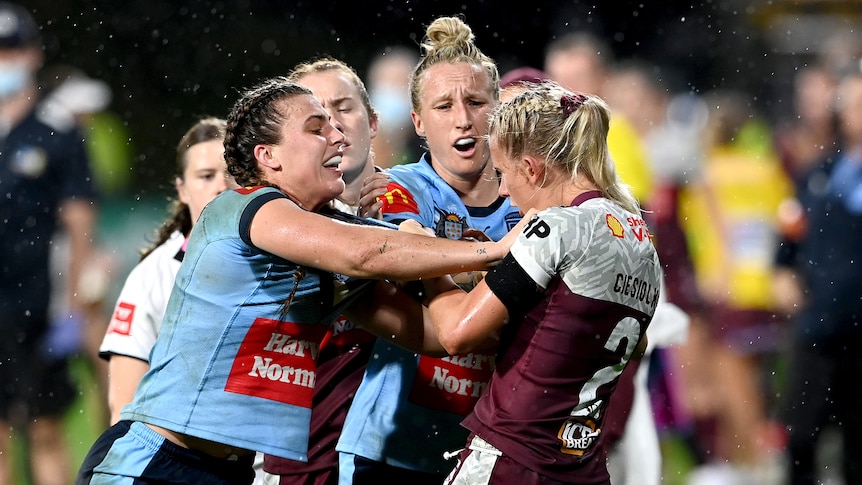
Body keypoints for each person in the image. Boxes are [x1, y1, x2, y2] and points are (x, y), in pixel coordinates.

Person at [76, 76, 518, 485]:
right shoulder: (242, 205)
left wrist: (471, 266)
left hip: (233, 472)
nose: (339, 137)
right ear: (268, 157)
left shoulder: (336, 248)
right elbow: (365, 252)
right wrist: (497, 248)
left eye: (337, 125)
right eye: (316, 128)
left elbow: (442, 335)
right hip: (157, 464)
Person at [414, 81, 661, 485]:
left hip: (515, 457)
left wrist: (428, 258)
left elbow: (456, 333)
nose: (507, 192)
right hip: (582, 468)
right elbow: (625, 344)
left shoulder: (558, 226)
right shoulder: (639, 237)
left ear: (532, 168)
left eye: (504, 174)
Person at [336, 16, 521, 484]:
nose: (463, 118)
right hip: (392, 447)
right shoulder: (396, 188)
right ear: (418, 121)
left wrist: (442, 265)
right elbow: (407, 262)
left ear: (496, 111)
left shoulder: (527, 201)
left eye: (476, 102)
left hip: (484, 450)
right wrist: (509, 266)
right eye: (443, 106)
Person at [261, 57, 381, 484]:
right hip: (303, 455)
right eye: (317, 119)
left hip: (406, 451)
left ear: (373, 121)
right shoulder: (270, 221)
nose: (334, 127)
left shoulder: (420, 202)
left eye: (343, 108)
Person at [0, 3, 99, 484]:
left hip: (41, 301)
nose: (4, 61)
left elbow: (80, 217)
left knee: (44, 429)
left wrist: (76, 300)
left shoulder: (58, 130)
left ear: (33, 54)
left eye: (12, 49)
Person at [98, 117, 234, 424]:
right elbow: (124, 406)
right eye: (206, 176)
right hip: (187, 462)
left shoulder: (285, 259)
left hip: (275, 466)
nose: (220, 186)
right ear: (182, 189)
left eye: (231, 174)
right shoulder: (154, 275)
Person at [777, 69, 862, 485]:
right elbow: (789, 234)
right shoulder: (817, 174)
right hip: (819, 328)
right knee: (800, 439)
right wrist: (783, 272)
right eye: (851, 104)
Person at [366, 45, 421, 168]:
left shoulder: (421, 155)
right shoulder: (351, 151)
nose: (395, 93)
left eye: (402, 86)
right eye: (390, 85)